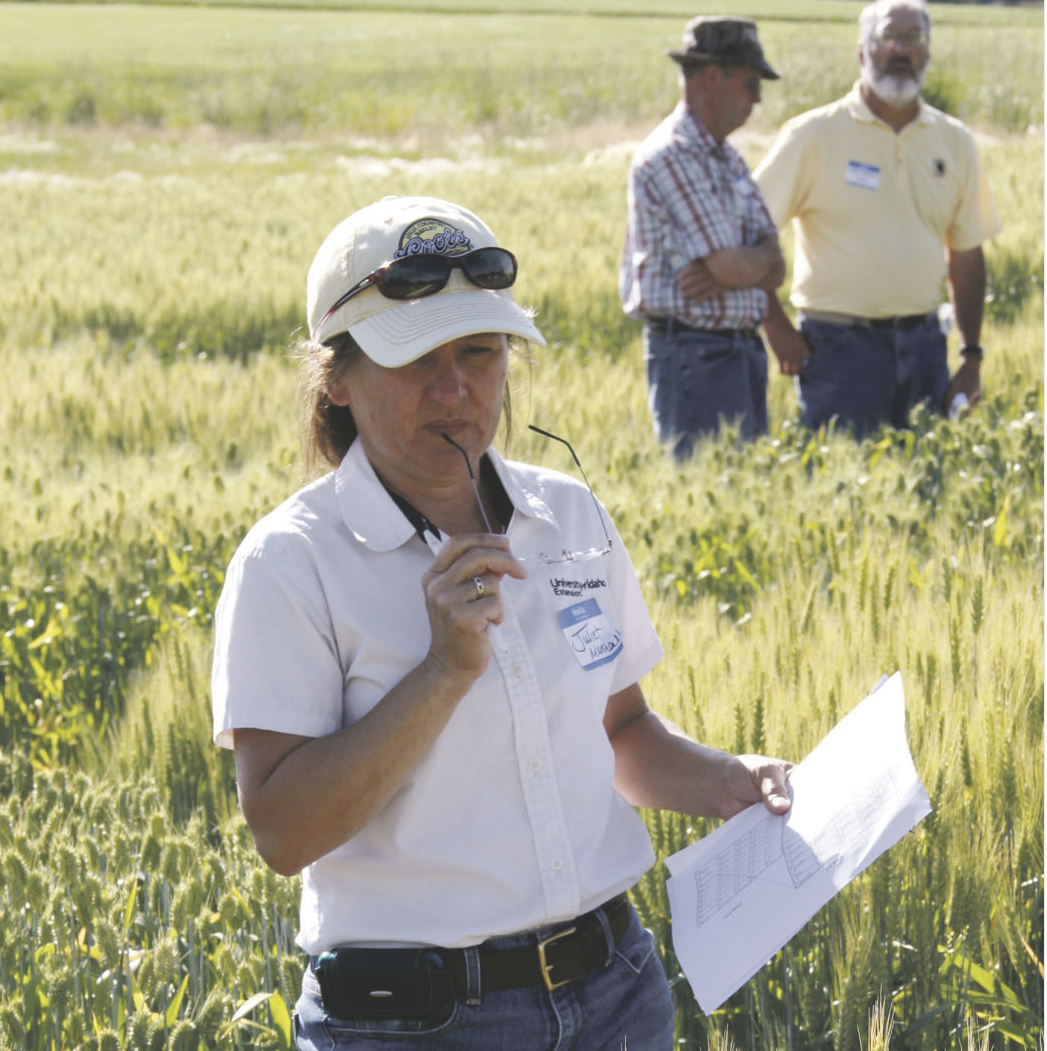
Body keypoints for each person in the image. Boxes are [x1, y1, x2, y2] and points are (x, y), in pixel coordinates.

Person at [211, 194, 794, 1051]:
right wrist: (443, 670)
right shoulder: (291, 564)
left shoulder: (566, 514)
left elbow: (620, 730)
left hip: (617, 992)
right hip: (416, 1024)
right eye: (414, 359)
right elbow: (284, 831)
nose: (454, 391)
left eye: (480, 351)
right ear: (336, 376)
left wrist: (727, 781)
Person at [753, 0, 1000, 438]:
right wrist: (775, 326)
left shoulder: (955, 141)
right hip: (836, 349)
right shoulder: (812, 135)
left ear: (928, 52)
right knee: (841, 490)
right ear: (862, 51)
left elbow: (967, 254)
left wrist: (971, 357)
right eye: (889, 37)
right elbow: (748, 232)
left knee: (925, 487)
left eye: (914, 38)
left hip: (926, 347)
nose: (901, 50)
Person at [619, 16, 788, 459]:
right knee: (713, 490)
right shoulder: (672, 155)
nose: (758, 98)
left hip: (737, 352)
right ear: (713, 77)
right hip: (696, 356)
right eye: (751, 83)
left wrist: (742, 267)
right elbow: (740, 265)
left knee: (742, 494)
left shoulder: (728, 158)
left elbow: (777, 267)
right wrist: (746, 265)